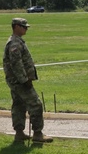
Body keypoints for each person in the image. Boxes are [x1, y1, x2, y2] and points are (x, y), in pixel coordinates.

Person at [3, 17, 52, 145]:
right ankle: (38, 133)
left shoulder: (16, 41)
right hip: (20, 82)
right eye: (24, 27)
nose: (26, 29)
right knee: (36, 104)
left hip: (16, 81)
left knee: (19, 105)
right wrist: (25, 80)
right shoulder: (14, 43)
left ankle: (19, 133)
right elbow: (16, 64)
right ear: (16, 27)